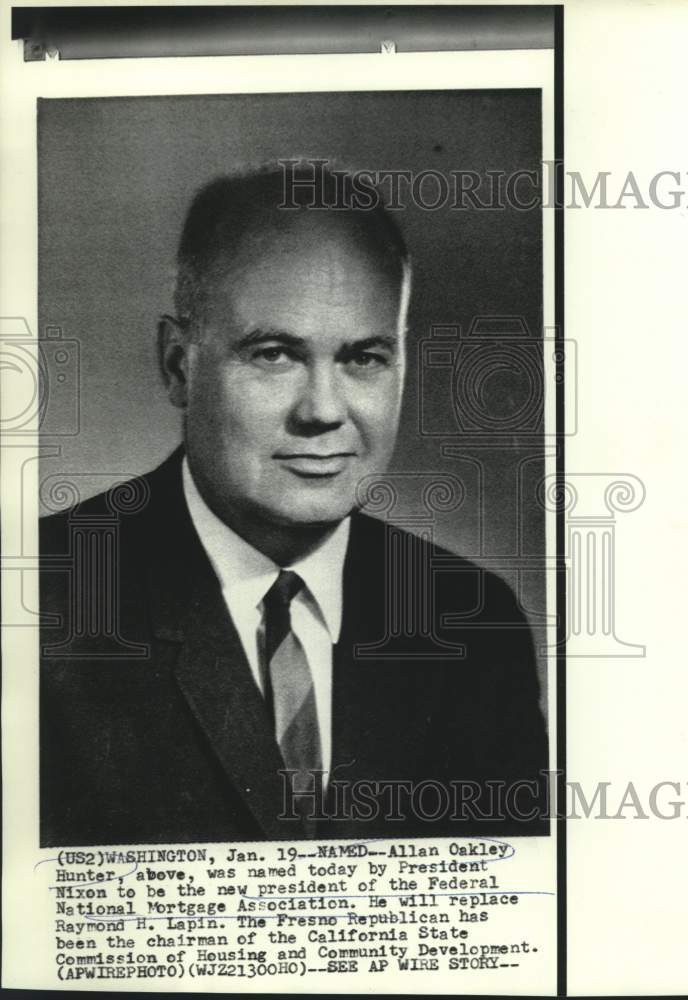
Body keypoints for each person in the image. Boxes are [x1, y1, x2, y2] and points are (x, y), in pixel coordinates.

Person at [39, 164, 548, 846]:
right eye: (275, 355)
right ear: (178, 365)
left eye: (364, 358)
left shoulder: (473, 621)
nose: (323, 411)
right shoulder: (40, 602)